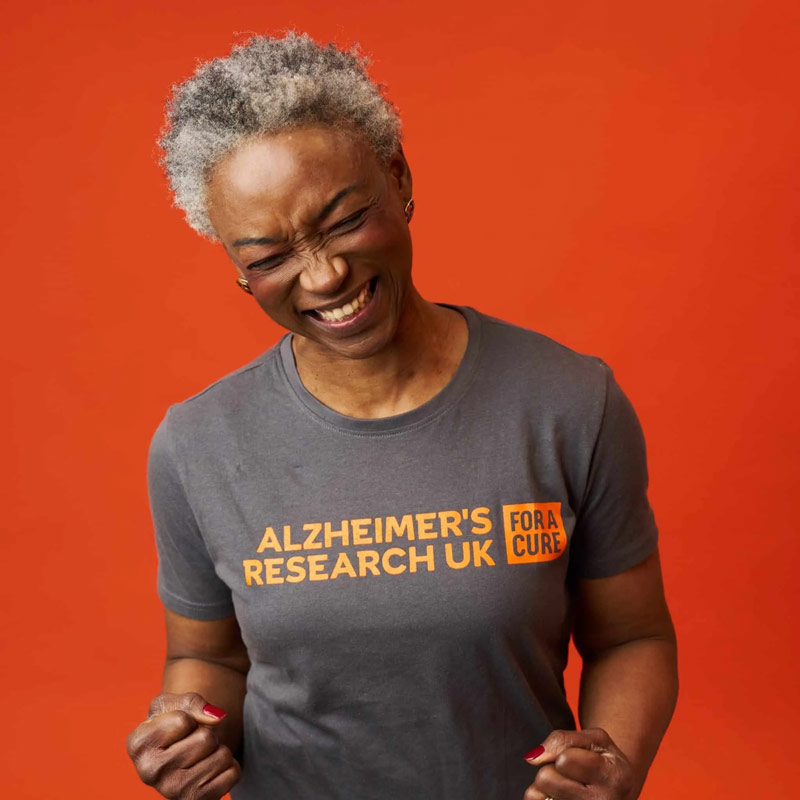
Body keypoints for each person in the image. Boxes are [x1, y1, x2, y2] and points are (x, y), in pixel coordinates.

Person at [126, 32, 678, 800]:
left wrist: (612, 761)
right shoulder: (196, 445)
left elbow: (632, 636)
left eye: (343, 220)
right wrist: (190, 731)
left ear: (398, 177)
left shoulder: (568, 402)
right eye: (269, 256)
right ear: (237, 271)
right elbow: (210, 662)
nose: (323, 276)